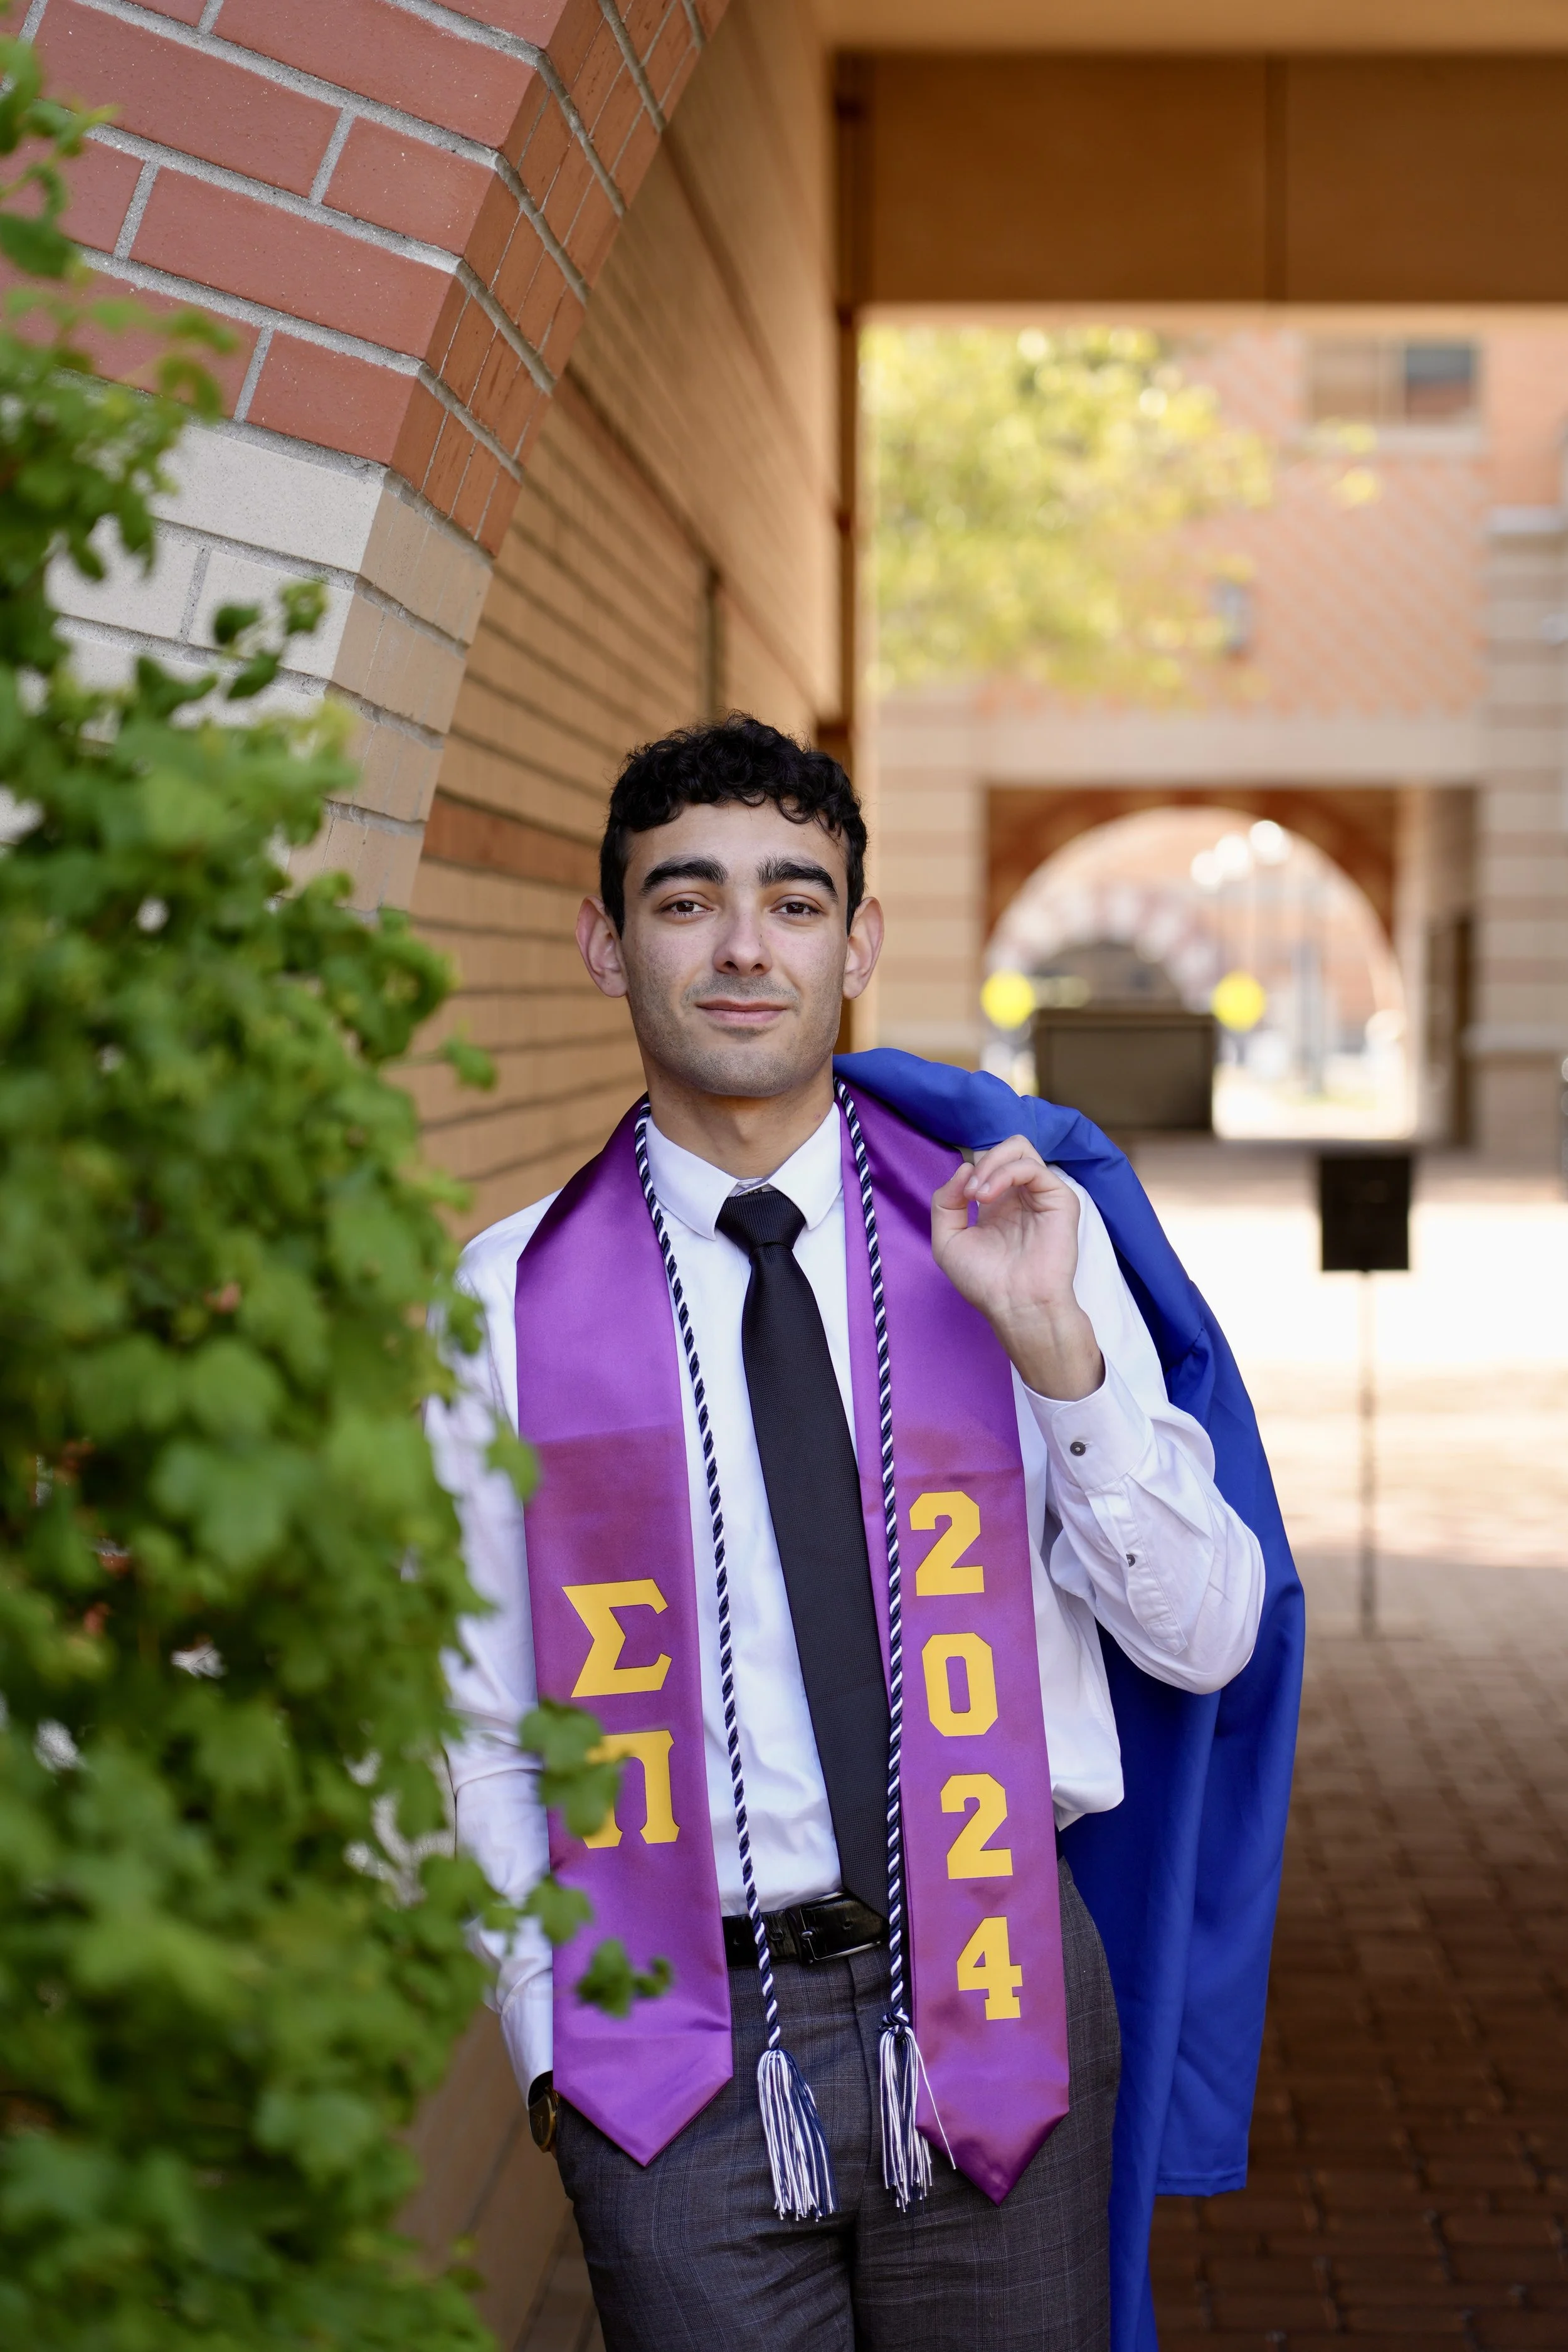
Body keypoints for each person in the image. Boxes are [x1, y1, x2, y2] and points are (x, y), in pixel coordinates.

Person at [429, 716, 1296, 2352]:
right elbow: (479, 1724)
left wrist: (1053, 1351)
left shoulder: (1013, 1231)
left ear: (859, 940)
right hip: (668, 2026)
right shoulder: (512, 1301)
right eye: (685, 901)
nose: (745, 944)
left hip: (995, 1986)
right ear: (605, 943)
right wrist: (553, 2044)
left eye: (795, 899)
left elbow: (1206, 1634)